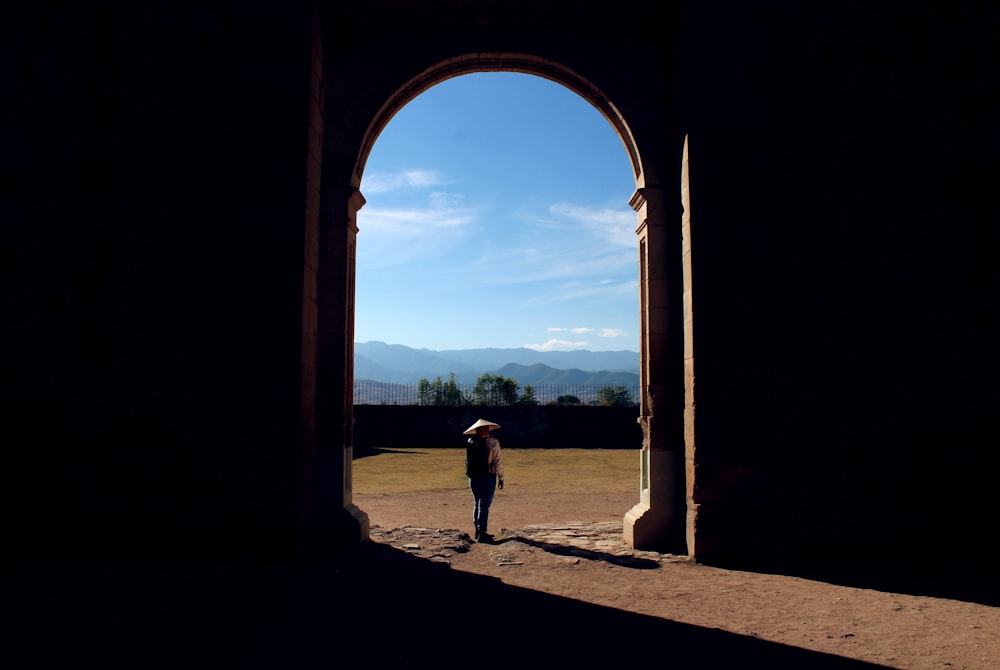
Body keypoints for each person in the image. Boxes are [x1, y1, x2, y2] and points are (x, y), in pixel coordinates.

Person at [463, 418, 504, 543]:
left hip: (473, 477)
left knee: (477, 503)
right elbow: (498, 461)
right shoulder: (493, 442)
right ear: (486, 429)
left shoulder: (470, 441)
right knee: (484, 505)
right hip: (488, 476)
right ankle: (482, 532)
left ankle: (477, 529)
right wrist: (501, 477)